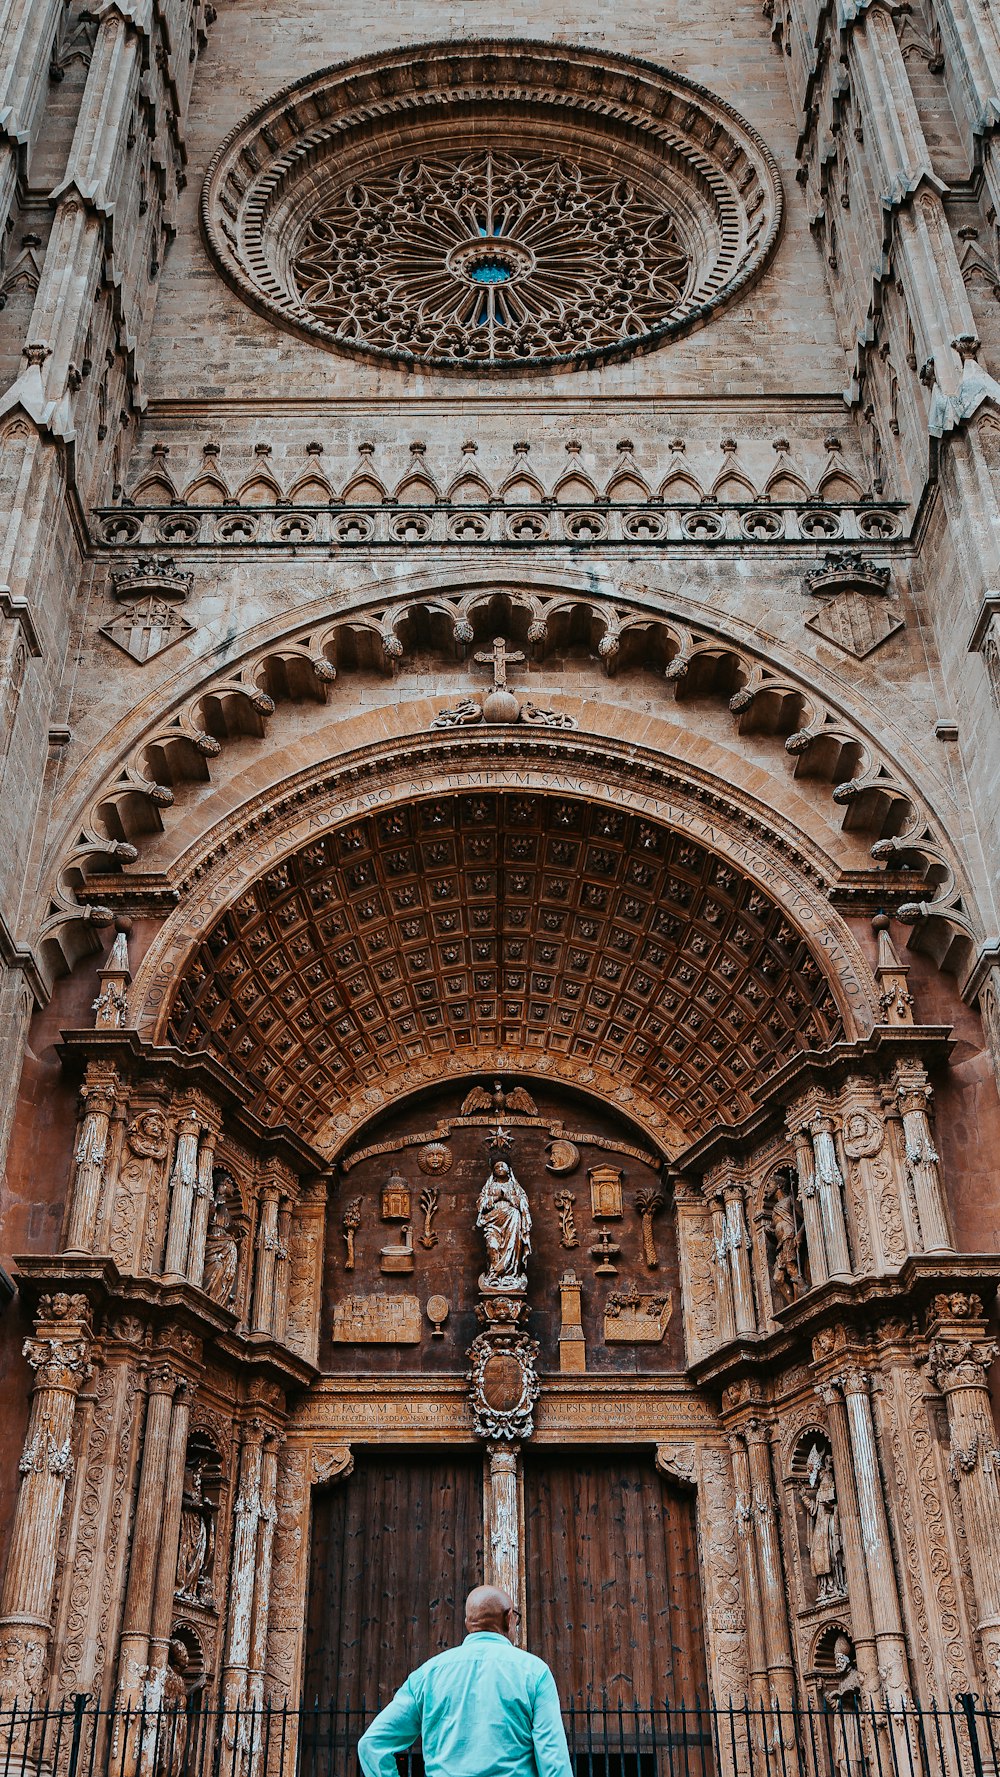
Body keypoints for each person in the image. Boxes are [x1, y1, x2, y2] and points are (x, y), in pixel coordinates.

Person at [357, 1585, 573, 1777]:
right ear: (509, 1618)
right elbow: (554, 1764)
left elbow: (372, 1745)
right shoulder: (534, 1672)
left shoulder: (428, 1675)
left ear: (468, 1623)